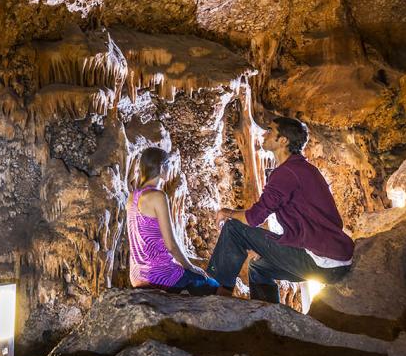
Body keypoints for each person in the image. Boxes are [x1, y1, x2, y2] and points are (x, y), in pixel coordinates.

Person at [206, 116, 353, 302]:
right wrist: (269, 249)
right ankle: (266, 312)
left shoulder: (287, 173)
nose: (264, 134)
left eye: (270, 131)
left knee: (234, 228)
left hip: (320, 260)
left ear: (283, 140)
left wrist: (227, 212)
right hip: (334, 262)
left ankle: (217, 293)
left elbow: (253, 218)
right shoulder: (302, 169)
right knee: (259, 267)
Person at [128, 146, 219, 295]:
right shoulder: (158, 196)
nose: (170, 168)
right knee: (213, 285)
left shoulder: (132, 197)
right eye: (169, 164)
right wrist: (190, 267)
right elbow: (171, 245)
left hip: (137, 276)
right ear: (161, 167)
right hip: (159, 275)